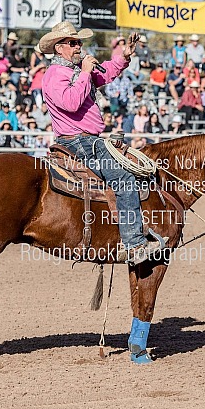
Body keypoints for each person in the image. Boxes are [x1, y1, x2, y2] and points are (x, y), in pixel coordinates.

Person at [39, 21, 165, 265]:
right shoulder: (56, 74)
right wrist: (86, 72)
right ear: (58, 48)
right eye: (73, 43)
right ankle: (134, 244)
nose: (79, 47)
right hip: (79, 142)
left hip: (87, 140)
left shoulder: (76, 70)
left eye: (79, 43)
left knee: (129, 172)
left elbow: (105, 73)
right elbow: (71, 102)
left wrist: (124, 56)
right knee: (123, 178)